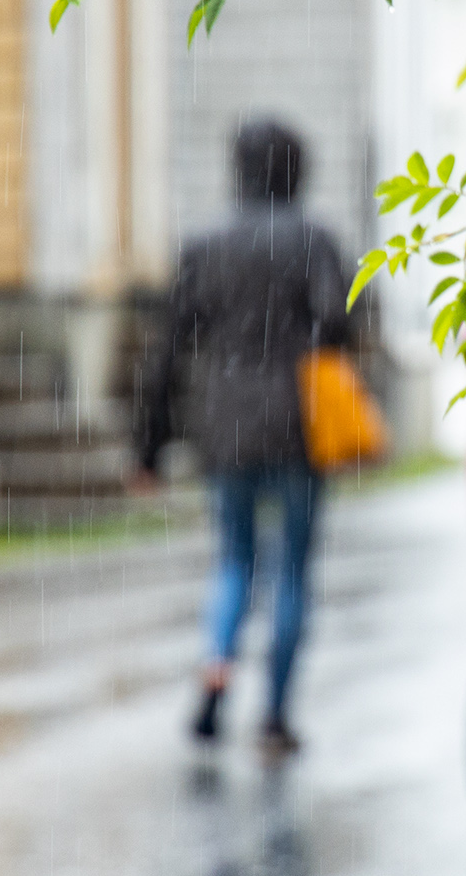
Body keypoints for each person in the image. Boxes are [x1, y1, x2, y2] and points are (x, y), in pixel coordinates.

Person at [136, 119, 351, 755]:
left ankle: (217, 664)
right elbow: (337, 324)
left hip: (222, 424)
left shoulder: (205, 246)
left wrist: (149, 444)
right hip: (299, 427)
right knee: (292, 570)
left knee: (234, 558)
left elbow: (168, 351)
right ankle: (276, 716)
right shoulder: (314, 240)